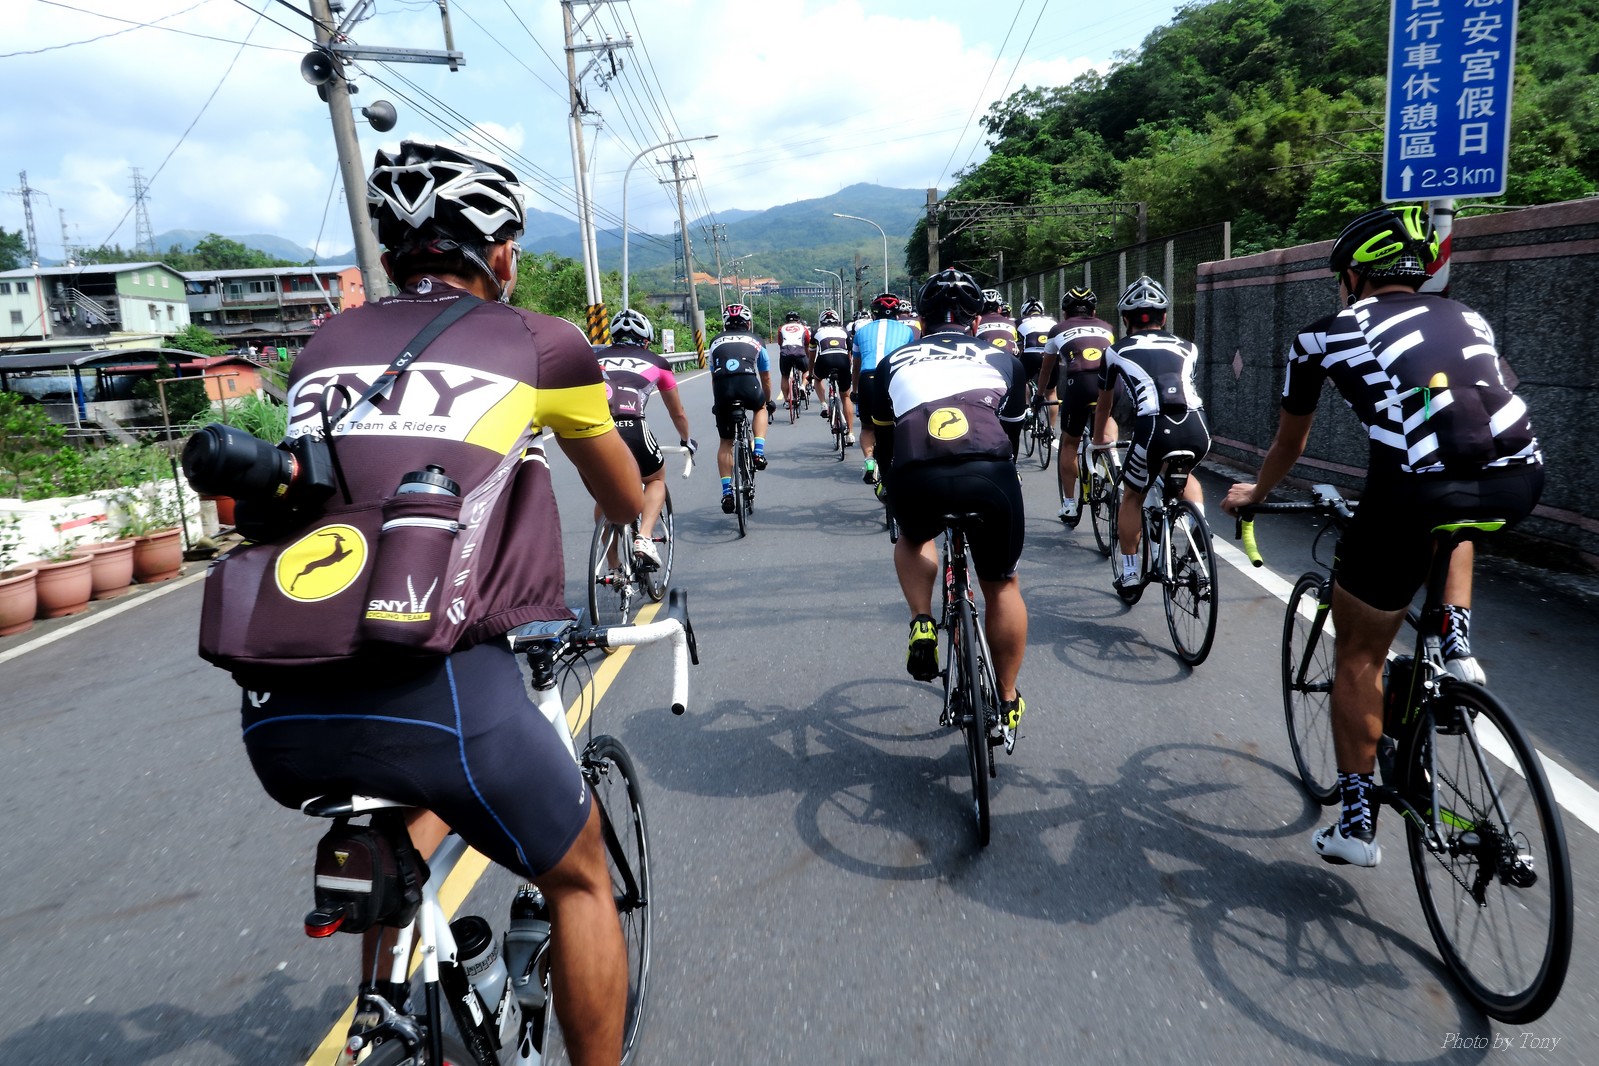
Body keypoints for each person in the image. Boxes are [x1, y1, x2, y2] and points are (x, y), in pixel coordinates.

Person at [237, 140, 640, 1065]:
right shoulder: (541, 341)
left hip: (279, 709)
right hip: (441, 691)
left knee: (404, 812)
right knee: (580, 877)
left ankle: (377, 1007)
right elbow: (622, 499)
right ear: (500, 255)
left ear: (390, 256)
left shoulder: (323, 345)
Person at [1221, 205, 1544, 868]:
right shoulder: (1469, 317)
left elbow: (1290, 442)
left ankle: (1356, 824)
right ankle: (1455, 641)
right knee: (1458, 517)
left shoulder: (1322, 335)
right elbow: (1477, 404)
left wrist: (1255, 493)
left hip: (1411, 492)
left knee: (1360, 657)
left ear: (1355, 274)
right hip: (1520, 479)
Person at [870, 268, 1030, 747]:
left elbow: (885, 441)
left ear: (920, 322)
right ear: (977, 321)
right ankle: (1007, 701)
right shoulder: (1005, 360)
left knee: (913, 537)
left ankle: (922, 620)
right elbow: (1011, 437)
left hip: (917, 475)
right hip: (989, 475)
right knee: (1002, 584)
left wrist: (889, 486)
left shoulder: (892, 362)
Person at [1093, 275, 1210, 591]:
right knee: (1185, 473)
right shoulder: (1189, 347)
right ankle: (1199, 525)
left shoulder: (1114, 351)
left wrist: (1098, 440)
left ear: (1125, 320)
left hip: (1154, 427)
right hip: (1197, 426)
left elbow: (1105, 405)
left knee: (1133, 495)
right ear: (1165, 317)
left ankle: (1130, 573)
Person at [595, 307, 697, 567]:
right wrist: (686, 440)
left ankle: (613, 565)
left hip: (596, 431)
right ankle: (644, 537)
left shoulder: (593, 357)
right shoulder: (657, 362)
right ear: (646, 340)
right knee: (656, 479)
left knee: (604, 493)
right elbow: (677, 412)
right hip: (632, 427)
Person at [1042, 287, 1117, 524]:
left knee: (1069, 442)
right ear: (1094, 311)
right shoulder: (1107, 327)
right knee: (1108, 417)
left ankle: (1070, 505)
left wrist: (1040, 395)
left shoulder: (1057, 329)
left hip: (1080, 382)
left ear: (1065, 313)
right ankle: (1112, 462)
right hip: (1111, 382)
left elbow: (1047, 368)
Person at [708, 303, 772, 512]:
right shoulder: (757, 340)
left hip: (722, 389)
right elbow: (765, 377)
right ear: (748, 323)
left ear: (725, 323)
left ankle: (727, 492)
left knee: (725, 442)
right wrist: (767, 401)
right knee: (760, 408)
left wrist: (719, 403)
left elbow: (714, 376)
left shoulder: (715, 341)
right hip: (748, 384)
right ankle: (758, 452)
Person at [851, 293, 917, 485]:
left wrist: (855, 390)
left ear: (874, 314)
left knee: (867, 426)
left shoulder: (861, 331)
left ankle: (869, 461)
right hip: (894, 378)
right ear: (897, 313)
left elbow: (856, 365)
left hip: (868, 378)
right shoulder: (907, 331)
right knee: (897, 422)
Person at [810, 308, 855, 445]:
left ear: (821, 321)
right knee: (845, 397)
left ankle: (824, 404)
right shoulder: (844, 331)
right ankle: (850, 434)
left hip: (824, 360)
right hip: (843, 360)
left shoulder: (816, 331)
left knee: (817, 378)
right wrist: (848, 368)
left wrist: (810, 372)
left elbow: (812, 354)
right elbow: (850, 353)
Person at [1016, 297, 1058, 437]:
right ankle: (1051, 430)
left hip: (1031, 354)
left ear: (1024, 312)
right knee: (1051, 392)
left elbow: (1018, 345)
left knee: (1022, 381)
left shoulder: (1019, 321)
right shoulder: (1053, 320)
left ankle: (1027, 409)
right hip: (1052, 355)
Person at [776, 310, 813, 410]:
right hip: (799, 352)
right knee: (806, 371)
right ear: (798, 320)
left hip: (785, 353)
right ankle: (803, 386)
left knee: (785, 376)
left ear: (787, 320)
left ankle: (786, 400)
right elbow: (807, 345)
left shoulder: (781, 328)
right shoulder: (803, 328)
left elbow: (780, 344)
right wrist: (808, 358)